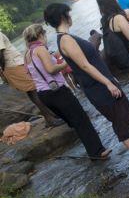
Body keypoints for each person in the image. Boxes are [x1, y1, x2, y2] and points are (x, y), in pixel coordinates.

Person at [44, 3, 129, 165]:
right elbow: (85, 65)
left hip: (102, 82)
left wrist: (111, 79)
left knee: (124, 112)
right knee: (119, 118)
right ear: (64, 16)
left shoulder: (65, 38)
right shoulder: (66, 40)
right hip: (98, 87)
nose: (71, 17)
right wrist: (108, 83)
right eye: (69, 14)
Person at [22, 24, 111, 159]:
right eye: (44, 35)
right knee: (81, 119)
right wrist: (68, 62)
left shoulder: (27, 53)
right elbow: (51, 69)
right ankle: (97, 151)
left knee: (74, 121)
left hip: (43, 95)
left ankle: (91, 146)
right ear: (40, 35)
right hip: (56, 91)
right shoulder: (40, 49)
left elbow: (31, 73)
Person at [0, 31, 62, 127]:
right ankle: (50, 118)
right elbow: (0, 54)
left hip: (13, 64)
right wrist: (3, 68)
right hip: (13, 65)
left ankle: (50, 117)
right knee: (35, 90)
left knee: (32, 91)